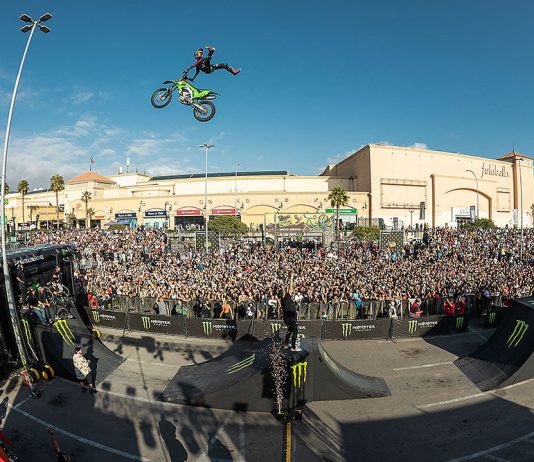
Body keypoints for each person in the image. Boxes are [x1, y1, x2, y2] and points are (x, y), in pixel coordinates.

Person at [280, 275, 300, 351]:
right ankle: (293, 346)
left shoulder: (282, 300)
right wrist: (291, 278)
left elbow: (286, 292)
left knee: (290, 330)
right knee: (295, 331)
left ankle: (286, 342)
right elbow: (290, 288)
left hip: (287, 319)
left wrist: (283, 288)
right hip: (291, 318)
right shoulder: (287, 297)